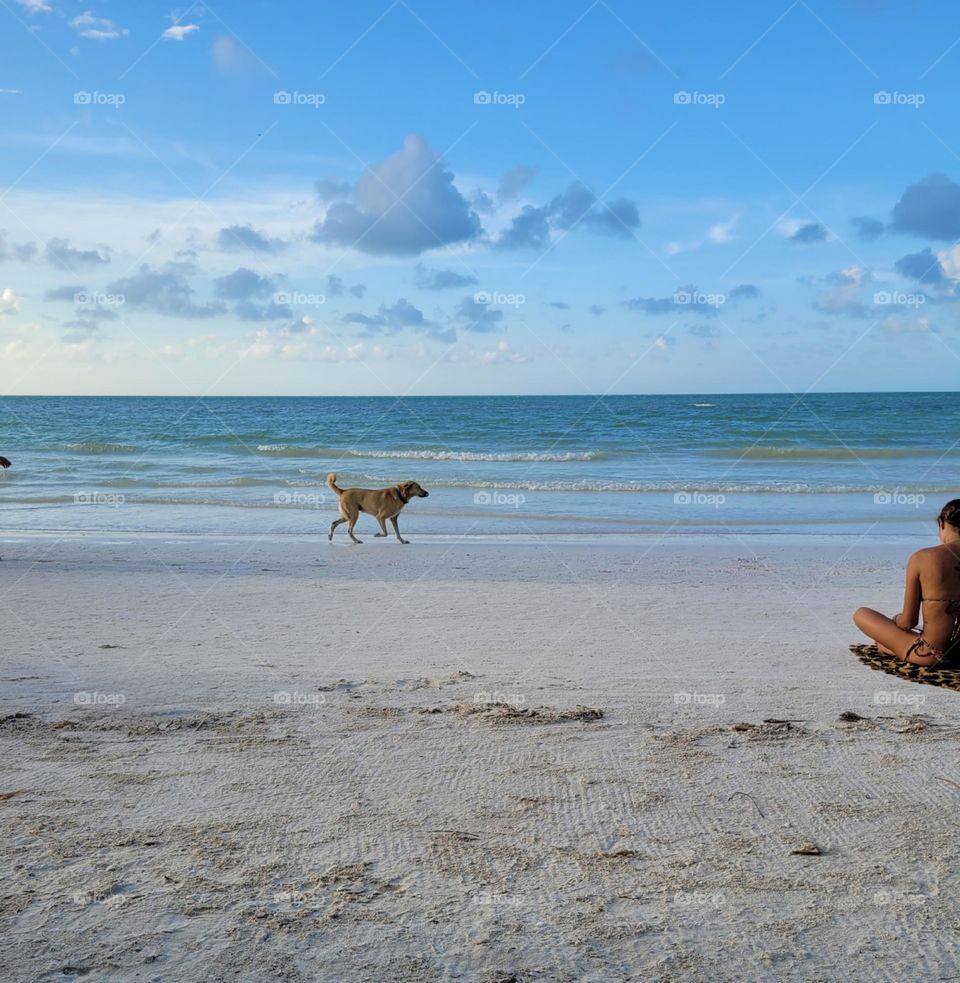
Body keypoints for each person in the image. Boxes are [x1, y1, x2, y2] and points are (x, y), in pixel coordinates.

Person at [854, 499, 960, 667]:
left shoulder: (923, 557)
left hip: (932, 655)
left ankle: (894, 647)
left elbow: (908, 622)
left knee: (861, 614)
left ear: (942, 525)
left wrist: (894, 620)